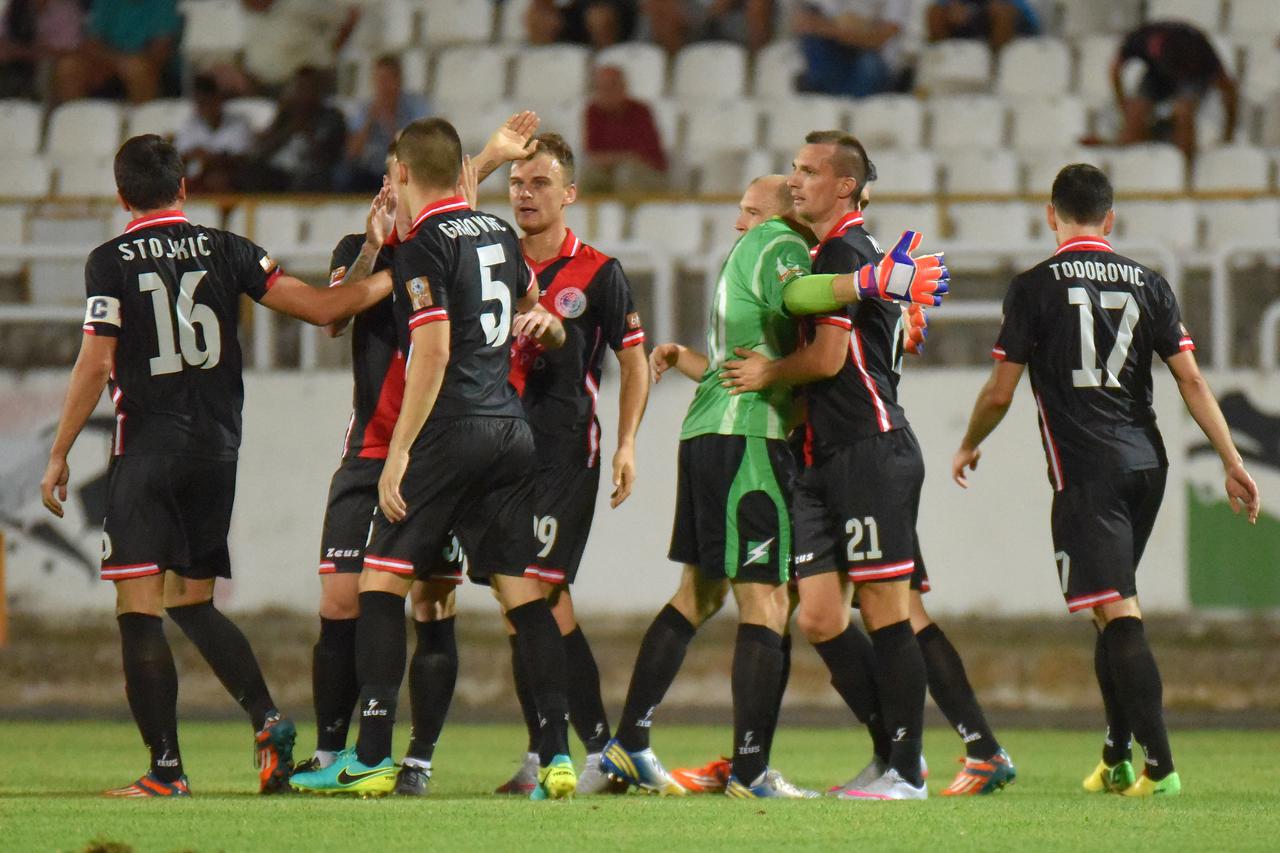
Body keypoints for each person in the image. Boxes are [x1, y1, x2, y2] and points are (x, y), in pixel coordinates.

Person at [37, 133, 394, 797]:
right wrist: (393, 270)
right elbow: (322, 308)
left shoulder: (109, 261)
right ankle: (267, 715)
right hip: (216, 450)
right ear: (182, 188)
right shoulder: (227, 247)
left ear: (122, 195)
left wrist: (59, 451)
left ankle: (165, 770)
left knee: (139, 607)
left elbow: (95, 360)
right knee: (193, 600)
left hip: (147, 448)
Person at [598, 169, 945, 799]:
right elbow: (803, 297)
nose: (739, 221)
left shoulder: (749, 257)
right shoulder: (782, 245)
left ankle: (629, 742)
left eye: (748, 208)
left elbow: (742, 368)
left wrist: (682, 359)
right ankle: (753, 771)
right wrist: (873, 282)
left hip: (708, 433)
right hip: (751, 444)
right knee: (769, 607)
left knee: (697, 596)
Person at [289, 117, 581, 801]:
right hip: (508, 429)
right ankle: (557, 753)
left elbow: (434, 349)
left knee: (386, 584)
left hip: (438, 435)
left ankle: (375, 755)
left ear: (398, 177)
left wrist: (398, 456)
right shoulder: (497, 233)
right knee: (521, 591)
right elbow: (535, 308)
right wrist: (551, 326)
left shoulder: (421, 245)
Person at [952, 163, 1261, 797]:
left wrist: (969, 442)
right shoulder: (1150, 282)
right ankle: (1117, 754)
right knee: (1107, 604)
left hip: (1086, 470)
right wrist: (1231, 458)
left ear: (1051, 215)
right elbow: (1192, 381)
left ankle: (1162, 767)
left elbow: (1000, 390)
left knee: (1117, 609)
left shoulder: (1033, 287)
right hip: (1147, 464)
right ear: (1110, 219)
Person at [717, 136, 1012, 799]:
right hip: (823, 456)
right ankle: (894, 750)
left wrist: (768, 369)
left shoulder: (848, 252)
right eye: (793, 169)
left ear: (844, 186)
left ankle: (907, 771)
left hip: (868, 448)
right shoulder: (836, 257)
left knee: (888, 611)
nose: (796, 180)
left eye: (808, 171)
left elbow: (825, 361)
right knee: (821, 617)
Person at [484, 132, 650, 796]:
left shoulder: (599, 272)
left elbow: (633, 361)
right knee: (527, 606)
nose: (525, 194)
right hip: (496, 454)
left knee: (539, 592)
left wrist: (628, 443)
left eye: (540, 183)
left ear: (569, 193)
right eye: (518, 183)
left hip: (561, 452)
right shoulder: (491, 260)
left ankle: (574, 749)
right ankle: (581, 749)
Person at [1113, 21, 1238, 158]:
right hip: (1156, 73)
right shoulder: (1141, 39)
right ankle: (1131, 159)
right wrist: (1123, 105)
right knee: (1135, 110)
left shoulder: (1199, 49)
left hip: (1192, 75)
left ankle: (1183, 165)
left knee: (1183, 111)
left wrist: (1229, 133)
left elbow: (1228, 88)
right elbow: (1114, 70)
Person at [242, 66, 347, 192]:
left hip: (311, 171)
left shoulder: (332, 116)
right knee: (252, 172)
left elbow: (329, 156)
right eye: (300, 88)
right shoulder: (286, 114)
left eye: (308, 88)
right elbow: (264, 150)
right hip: (279, 170)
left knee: (311, 179)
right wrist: (289, 128)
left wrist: (307, 130)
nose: (303, 93)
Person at [53, 0, 180, 103]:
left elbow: (159, 52)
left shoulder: (164, 3)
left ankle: (142, 129)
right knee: (68, 67)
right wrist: (117, 63)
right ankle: (78, 126)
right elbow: (91, 43)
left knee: (136, 69)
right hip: (108, 64)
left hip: (149, 68)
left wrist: (125, 64)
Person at [338, 54, 431, 193]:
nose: (383, 86)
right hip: (371, 170)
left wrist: (389, 119)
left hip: (404, 170)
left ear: (398, 80)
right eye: (379, 80)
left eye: (387, 80)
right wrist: (369, 121)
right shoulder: (365, 109)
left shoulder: (415, 107)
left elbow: (416, 149)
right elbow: (352, 153)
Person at [791, 0, 913, 98]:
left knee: (869, 64)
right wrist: (852, 30)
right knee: (813, 44)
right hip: (838, 59)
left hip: (877, 68)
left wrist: (833, 29)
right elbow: (805, 23)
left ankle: (823, 93)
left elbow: (880, 38)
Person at [582, 65, 668, 193]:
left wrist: (615, 159)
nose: (605, 93)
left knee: (626, 173)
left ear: (623, 87)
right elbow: (593, 154)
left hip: (646, 173)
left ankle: (629, 213)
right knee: (590, 175)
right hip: (610, 170)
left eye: (611, 87)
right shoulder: (593, 112)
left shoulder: (641, 111)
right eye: (601, 88)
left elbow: (643, 156)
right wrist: (620, 158)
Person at [174, 74, 253, 194]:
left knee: (218, 179)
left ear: (218, 100)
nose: (204, 108)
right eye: (200, 103)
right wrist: (193, 155)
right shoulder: (190, 125)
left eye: (207, 102)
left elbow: (243, 159)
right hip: (195, 182)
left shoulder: (239, 124)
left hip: (229, 182)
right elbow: (178, 159)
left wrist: (210, 159)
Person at [0, 0, 84, 99]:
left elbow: (66, 51)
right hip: (14, 65)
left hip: (47, 68)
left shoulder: (67, 9)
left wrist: (19, 52)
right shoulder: (16, 7)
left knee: (53, 68)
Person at [640, 0, 775, 53]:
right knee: (658, 4)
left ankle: (755, 65)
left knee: (758, 4)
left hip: (734, 16)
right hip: (692, 18)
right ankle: (674, 70)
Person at [925, 0, 1039, 51]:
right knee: (935, 13)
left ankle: (995, 71)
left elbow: (1032, 22)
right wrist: (952, 12)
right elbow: (941, 9)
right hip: (969, 33)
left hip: (1013, 38)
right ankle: (943, 66)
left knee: (1002, 13)